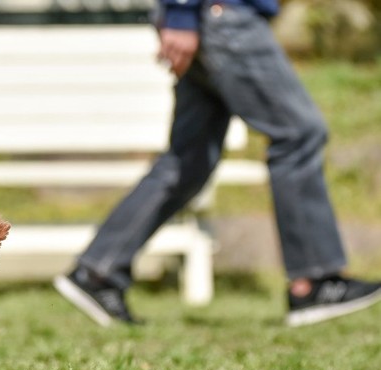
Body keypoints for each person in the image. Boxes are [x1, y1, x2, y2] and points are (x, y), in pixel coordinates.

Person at [54, 0, 381, 327]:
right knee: (299, 133)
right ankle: (314, 280)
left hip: (214, 17)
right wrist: (182, 12)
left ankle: (98, 272)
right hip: (223, 15)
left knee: (189, 160)